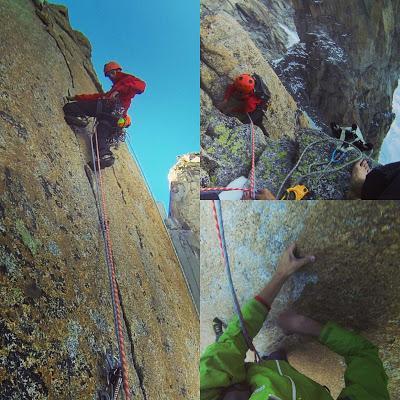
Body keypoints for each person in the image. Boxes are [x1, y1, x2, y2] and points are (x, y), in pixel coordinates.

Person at [200, 244, 389, 400]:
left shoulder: (203, 386)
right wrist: (309, 326)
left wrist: (280, 275)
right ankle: (276, 362)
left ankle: (274, 362)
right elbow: (364, 354)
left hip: (253, 381)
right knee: (270, 363)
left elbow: (234, 338)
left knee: (258, 360)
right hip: (286, 386)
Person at [63, 61, 146, 169]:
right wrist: (77, 97)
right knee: (99, 136)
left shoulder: (126, 81)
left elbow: (141, 86)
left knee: (69, 108)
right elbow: (96, 96)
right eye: (108, 75)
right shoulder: (114, 90)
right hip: (112, 119)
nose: (110, 77)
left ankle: (81, 118)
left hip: (109, 109)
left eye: (112, 73)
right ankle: (105, 157)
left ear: (118, 71)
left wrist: (118, 91)